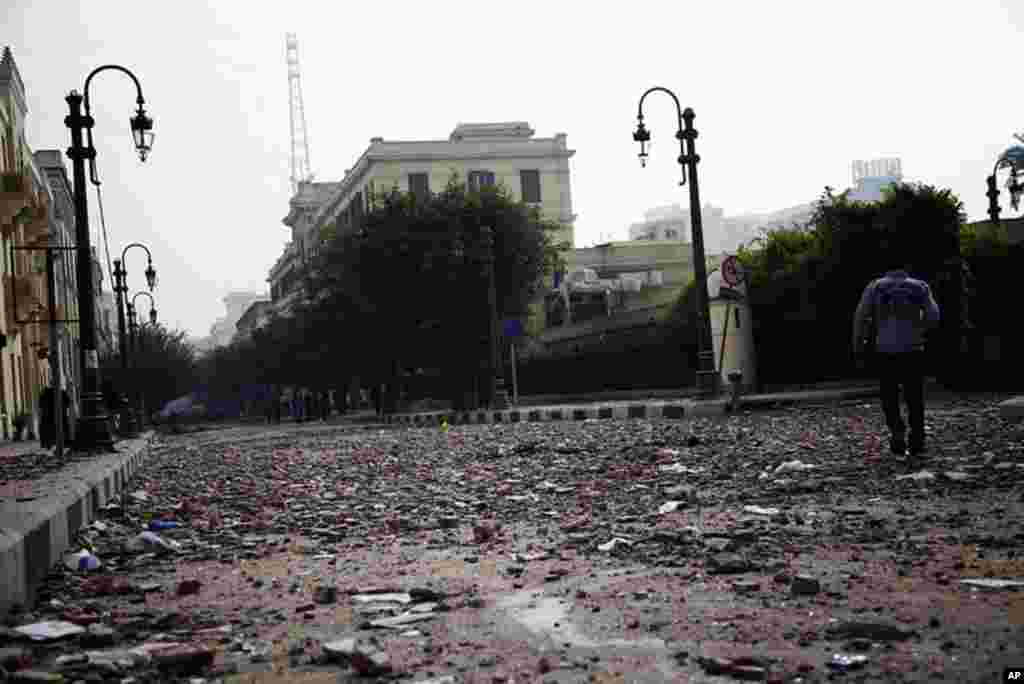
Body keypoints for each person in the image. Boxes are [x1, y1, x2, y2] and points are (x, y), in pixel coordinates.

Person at [852, 258, 941, 458]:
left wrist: (858, 345)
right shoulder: (919, 286)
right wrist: (920, 329)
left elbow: (861, 317)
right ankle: (917, 437)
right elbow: (934, 315)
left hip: (885, 349)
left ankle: (897, 434)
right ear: (906, 268)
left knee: (889, 395)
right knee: (915, 396)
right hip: (913, 348)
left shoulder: (876, 287)